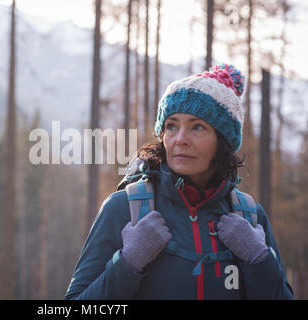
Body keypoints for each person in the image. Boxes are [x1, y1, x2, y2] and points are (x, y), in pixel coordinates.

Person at [65, 64, 294, 300]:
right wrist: (128, 262)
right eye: (171, 126)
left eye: (197, 127)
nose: (180, 140)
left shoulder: (249, 217)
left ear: (222, 139)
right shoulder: (123, 208)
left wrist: (259, 259)